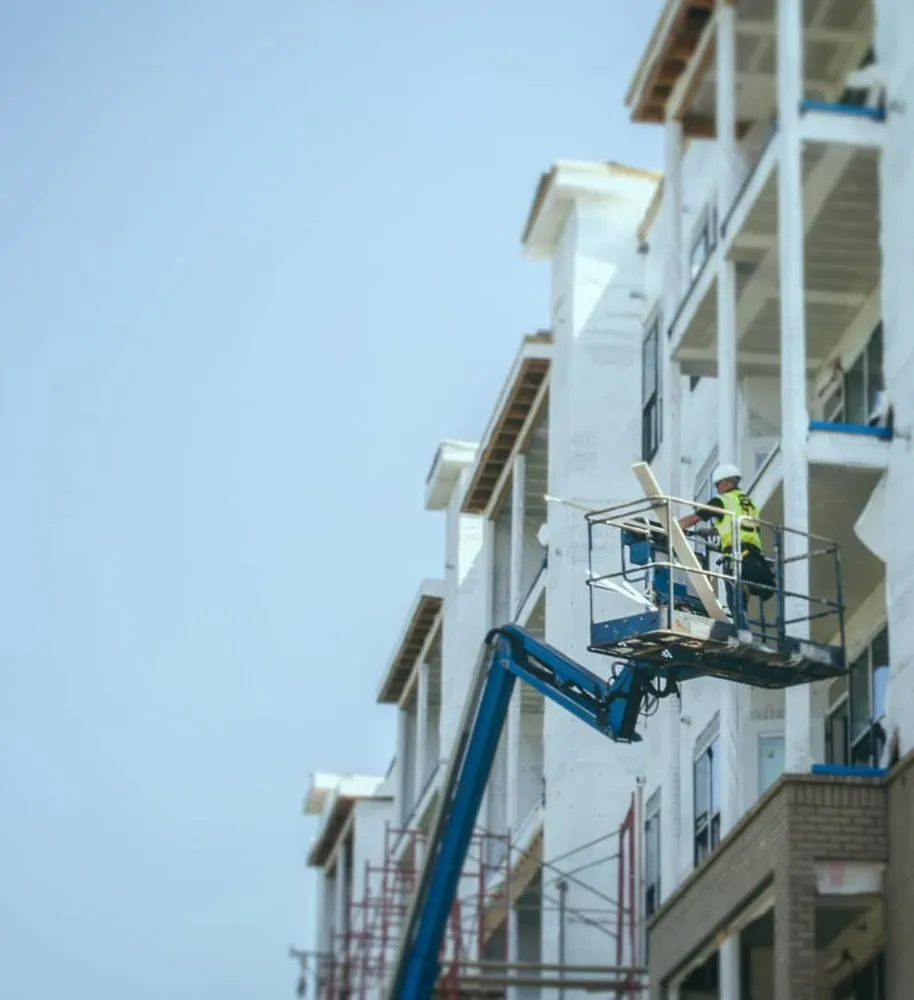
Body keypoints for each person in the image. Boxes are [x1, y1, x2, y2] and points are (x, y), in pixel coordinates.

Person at [678, 463, 774, 623]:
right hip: (755, 558)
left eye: (718, 485)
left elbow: (695, 518)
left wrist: (673, 526)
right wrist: (712, 531)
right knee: (742, 599)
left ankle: (742, 633)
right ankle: (744, 630)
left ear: (726, 482)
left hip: (737, 557)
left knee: (735, 602)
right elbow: (739, 526)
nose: (718, 489)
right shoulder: (748, 503)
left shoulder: (722, 501)